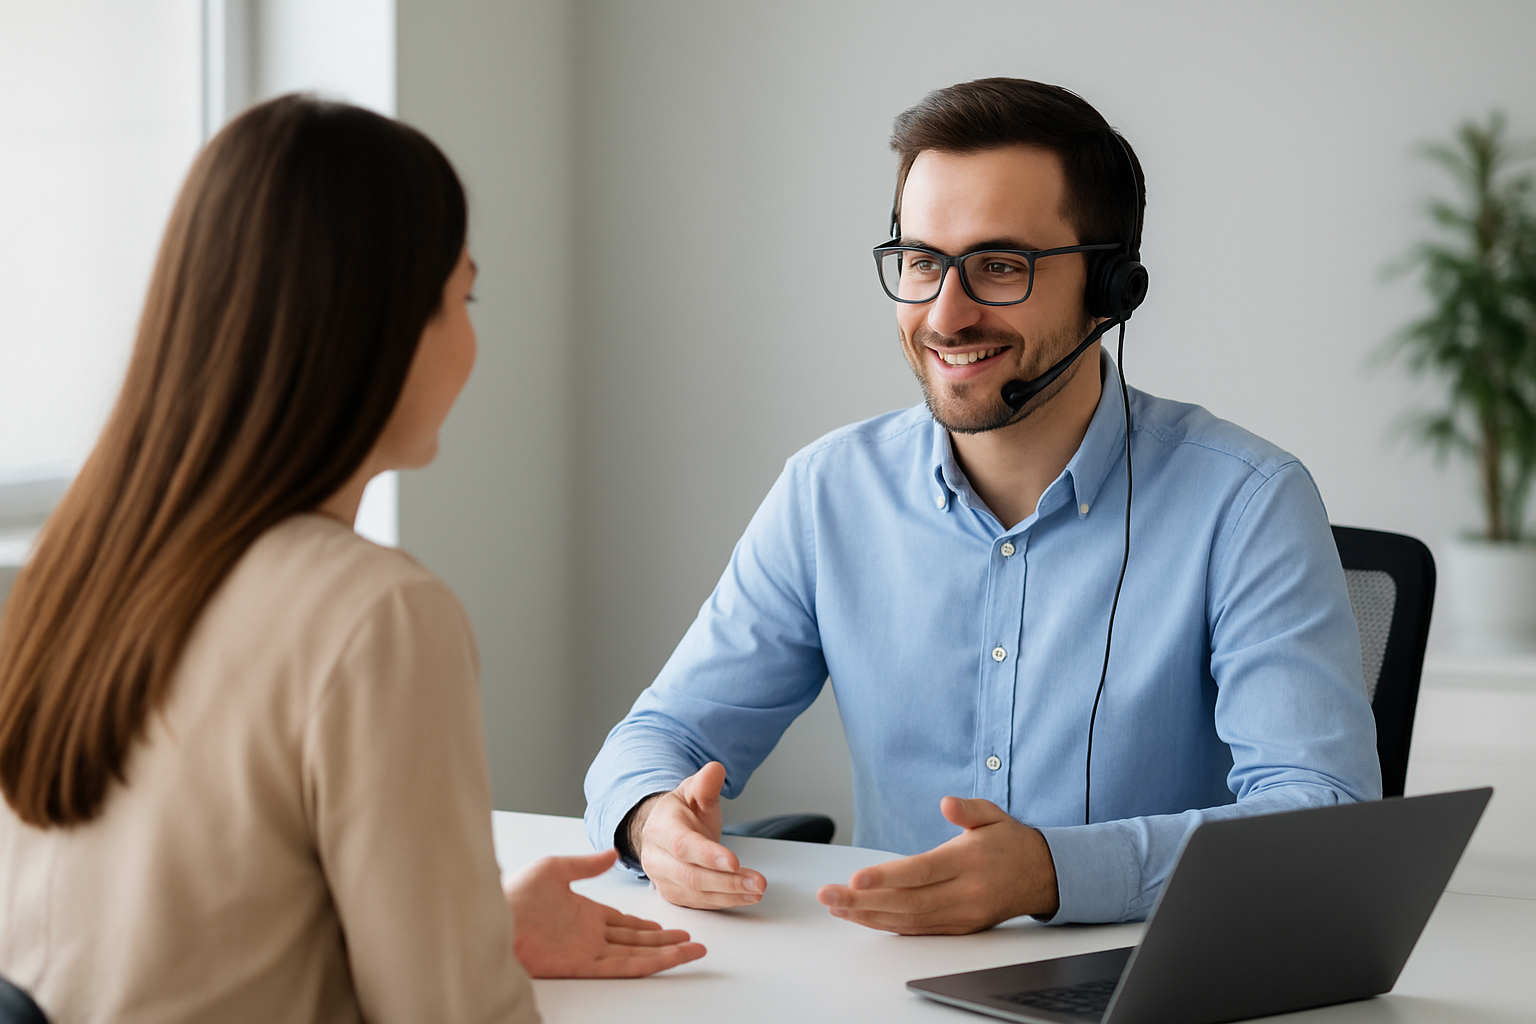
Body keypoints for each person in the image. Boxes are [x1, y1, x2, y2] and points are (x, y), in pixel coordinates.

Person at [583, 78, 1381, 932]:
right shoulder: (830, 492)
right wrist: (651, 820)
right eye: (923, 263)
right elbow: (660, 734)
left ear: (1113, 290)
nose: (946, 314)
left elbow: (1321, 817)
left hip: (1150, 982)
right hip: (891, 979)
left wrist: (1053, 874)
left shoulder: (1245, 503)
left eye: (1000, 266)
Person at [0, 95, 702, 1024]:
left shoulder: (79, 566)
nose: (470, 341)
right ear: (373, 326)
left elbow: (176, 937)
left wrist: (477, 925)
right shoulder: (375, 614)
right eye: (464, 296)